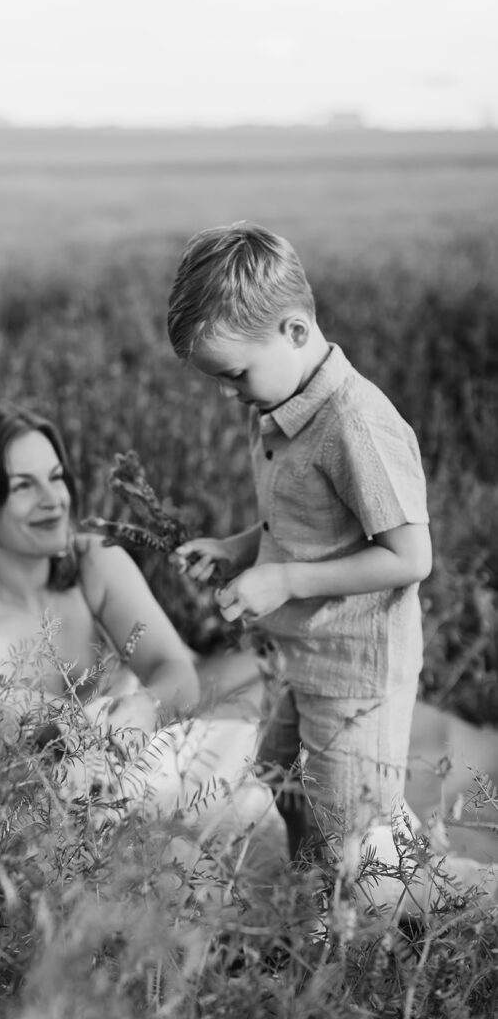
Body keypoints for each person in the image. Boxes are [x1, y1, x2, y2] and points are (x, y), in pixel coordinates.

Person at [167, 222, 433, 862]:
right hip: (302, 655)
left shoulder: (356, 423)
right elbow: (305, 525)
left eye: (234, 374)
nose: (230, 394)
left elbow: (410, 557)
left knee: (351, 826)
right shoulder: (282, 411)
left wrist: (284, 580)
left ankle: (357, 931)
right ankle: (305, 891)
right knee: (281, 782)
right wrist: (236, 549)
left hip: (356, 674)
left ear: (293, 330)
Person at [0, 406, 283, 850]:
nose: (55, 500)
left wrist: (145, 707)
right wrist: (64, 734)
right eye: (24, 486)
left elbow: (177, 673)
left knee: (269, 763)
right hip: (46, 821)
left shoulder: (92, 562)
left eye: (56, 477)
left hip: (149, 769)